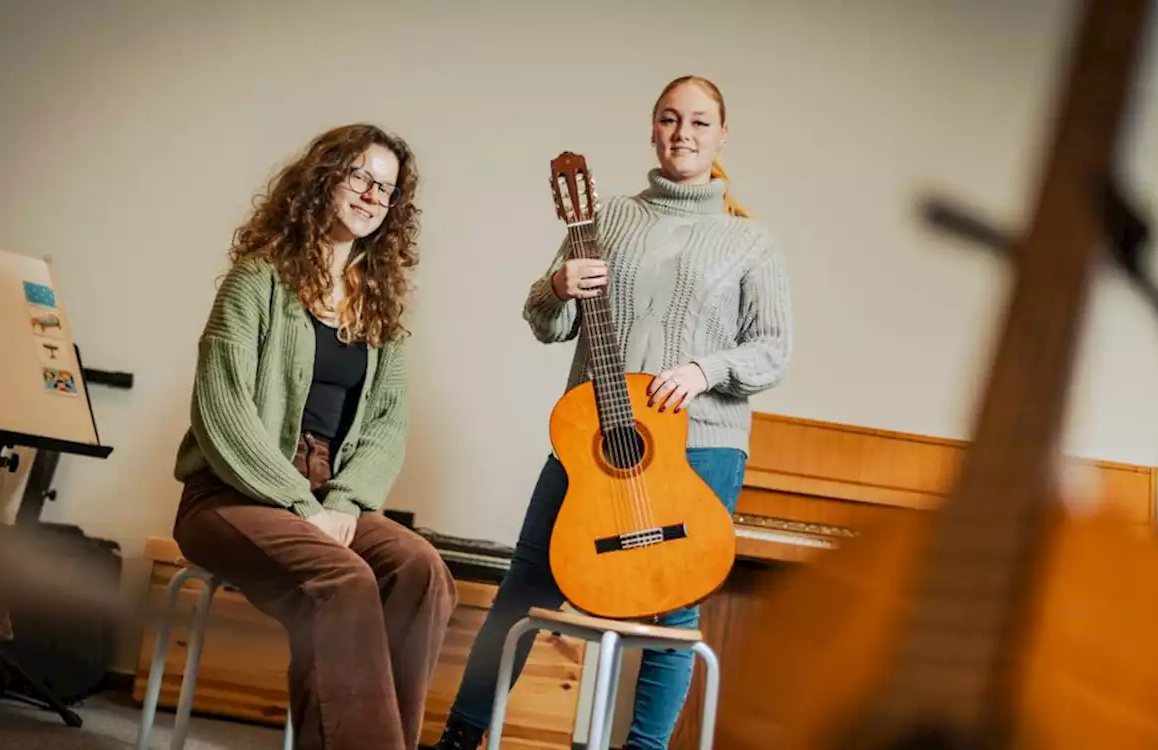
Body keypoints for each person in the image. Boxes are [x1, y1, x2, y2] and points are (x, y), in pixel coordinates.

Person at [434, 75, 793, 750]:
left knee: (674, 608)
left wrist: (704, 370)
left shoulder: (752, 242)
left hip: (702, 445)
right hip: (594, 441)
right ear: (652, 128)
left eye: (697, 121)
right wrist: (556, 286)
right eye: (668, 119)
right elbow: (547, 324)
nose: (681, 133)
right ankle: (460, 736)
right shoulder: (606, 219)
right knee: (524, 589)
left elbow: (773, 352)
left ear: (721, 135)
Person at [171, 123, 457, 750]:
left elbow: (387, 426)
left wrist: (341, 503)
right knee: (343, 578)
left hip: (328, 500)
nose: (372, 195)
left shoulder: (378, 308)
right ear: (323, 178)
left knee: (421, 570)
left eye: (387, 188)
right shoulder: (257, 281)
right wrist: (301, 506)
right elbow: (224, 412)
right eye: (360, 176)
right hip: (229, 497)